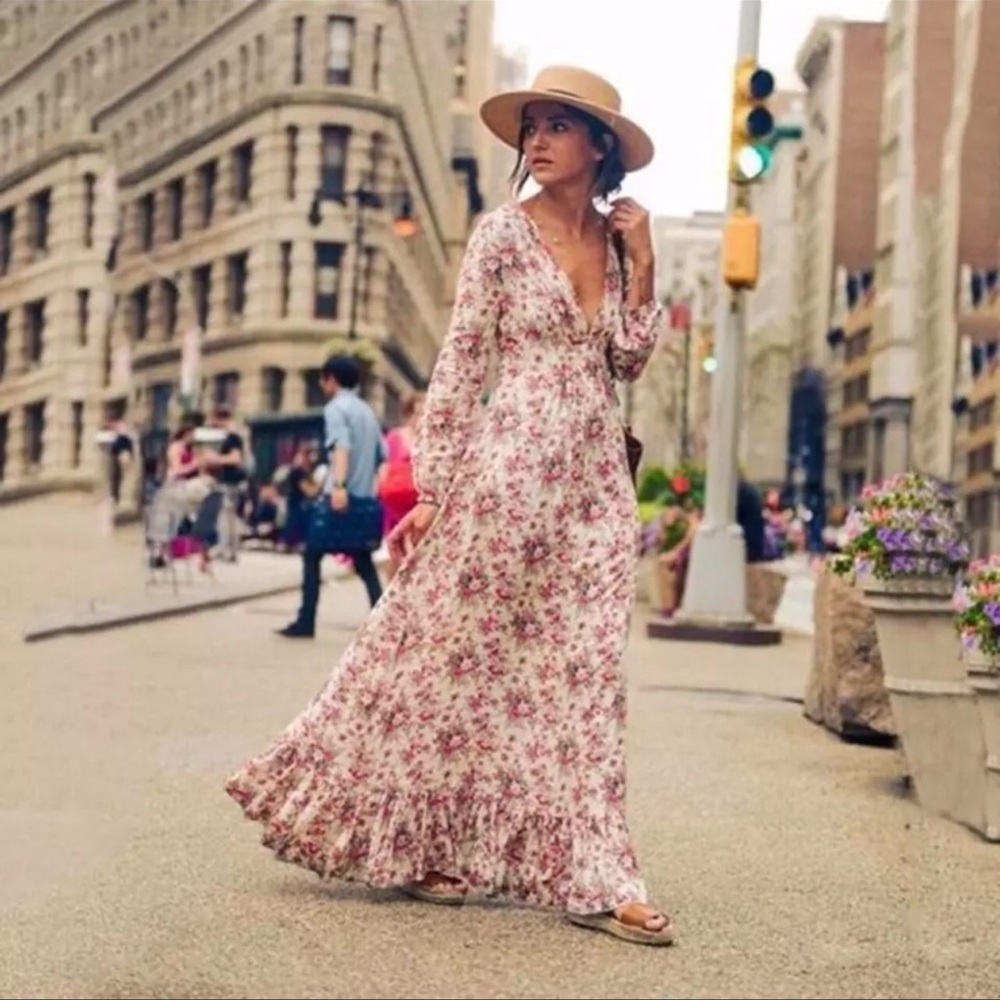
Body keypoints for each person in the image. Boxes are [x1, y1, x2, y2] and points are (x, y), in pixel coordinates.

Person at [227, 66, 673, 946]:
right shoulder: (502, 236)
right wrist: (433, 490)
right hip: (507, 470)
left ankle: (598, 871)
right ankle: (422, 839)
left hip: (591, 489)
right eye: (530, 126)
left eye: (557, 126)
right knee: (447, 664)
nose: (536, 140)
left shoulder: (620, 244)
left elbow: (623, 361)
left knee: (583, 681)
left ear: (600, 147)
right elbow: (464, 363)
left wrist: (647, 262)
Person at [277, 355, 386, 638]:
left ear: (332, 379)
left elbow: (341, 446)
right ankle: (385, 622)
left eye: (323, 378)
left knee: (312, 555)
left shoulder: (336, 408)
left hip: (341, 497)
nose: (321, 383)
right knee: (363, 561)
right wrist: (370, 492)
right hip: (364, 499)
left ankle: (306, 621)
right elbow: (381, 458)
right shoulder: (368, 412)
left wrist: (338, 486)